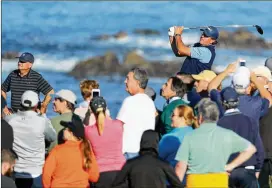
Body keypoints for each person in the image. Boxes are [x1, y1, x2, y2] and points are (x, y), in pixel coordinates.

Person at [175, 98, 257, 188]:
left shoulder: (190, 137)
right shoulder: (226, 134)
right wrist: (230, 166)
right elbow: (250, 149)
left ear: (201, 117)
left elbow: (180, 166)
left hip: (196, 183)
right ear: (216, 117)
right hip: (219, 182)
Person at [4, 90, 56, 188]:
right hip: (37, 172)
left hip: (17, 171)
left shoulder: (10, 120)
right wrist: (43, 115)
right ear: (37, 105)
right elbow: (52, 137)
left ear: (21, 103)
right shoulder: (42, 121)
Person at [217, 87, 264, 188]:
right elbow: (258, 148)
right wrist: (258, 169)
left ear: (222, 103)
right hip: (248, 169)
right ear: (237, 101)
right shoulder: (250, 121)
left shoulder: (218, 124)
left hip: (227, 171)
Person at [42, 115, 99, 188]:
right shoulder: (87, 150)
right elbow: (94, 177)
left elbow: (46, 174)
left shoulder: (57, 150)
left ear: (71, 134)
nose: (63, 130)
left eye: (65, 129)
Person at [112, 130, 183, 188]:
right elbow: (178, 185)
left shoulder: (131, 163)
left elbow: (116, 184)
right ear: (156, 143)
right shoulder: (164, 165)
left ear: (141, 142)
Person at [85, 97, 126, 188]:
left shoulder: (89, 131)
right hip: (121, 171)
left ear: (92, 111)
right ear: (106, 109)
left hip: (101, 173)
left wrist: (88, 114)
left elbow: (85, 125)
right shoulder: (118, 125)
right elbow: (109, 122)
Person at [117, 68, 156, 160]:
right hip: (144, 151)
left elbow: (118, 126)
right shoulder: (150, 102)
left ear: (137, 83)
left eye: (128, 79)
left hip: (129, 151)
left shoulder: (129, 101)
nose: (125, 81)